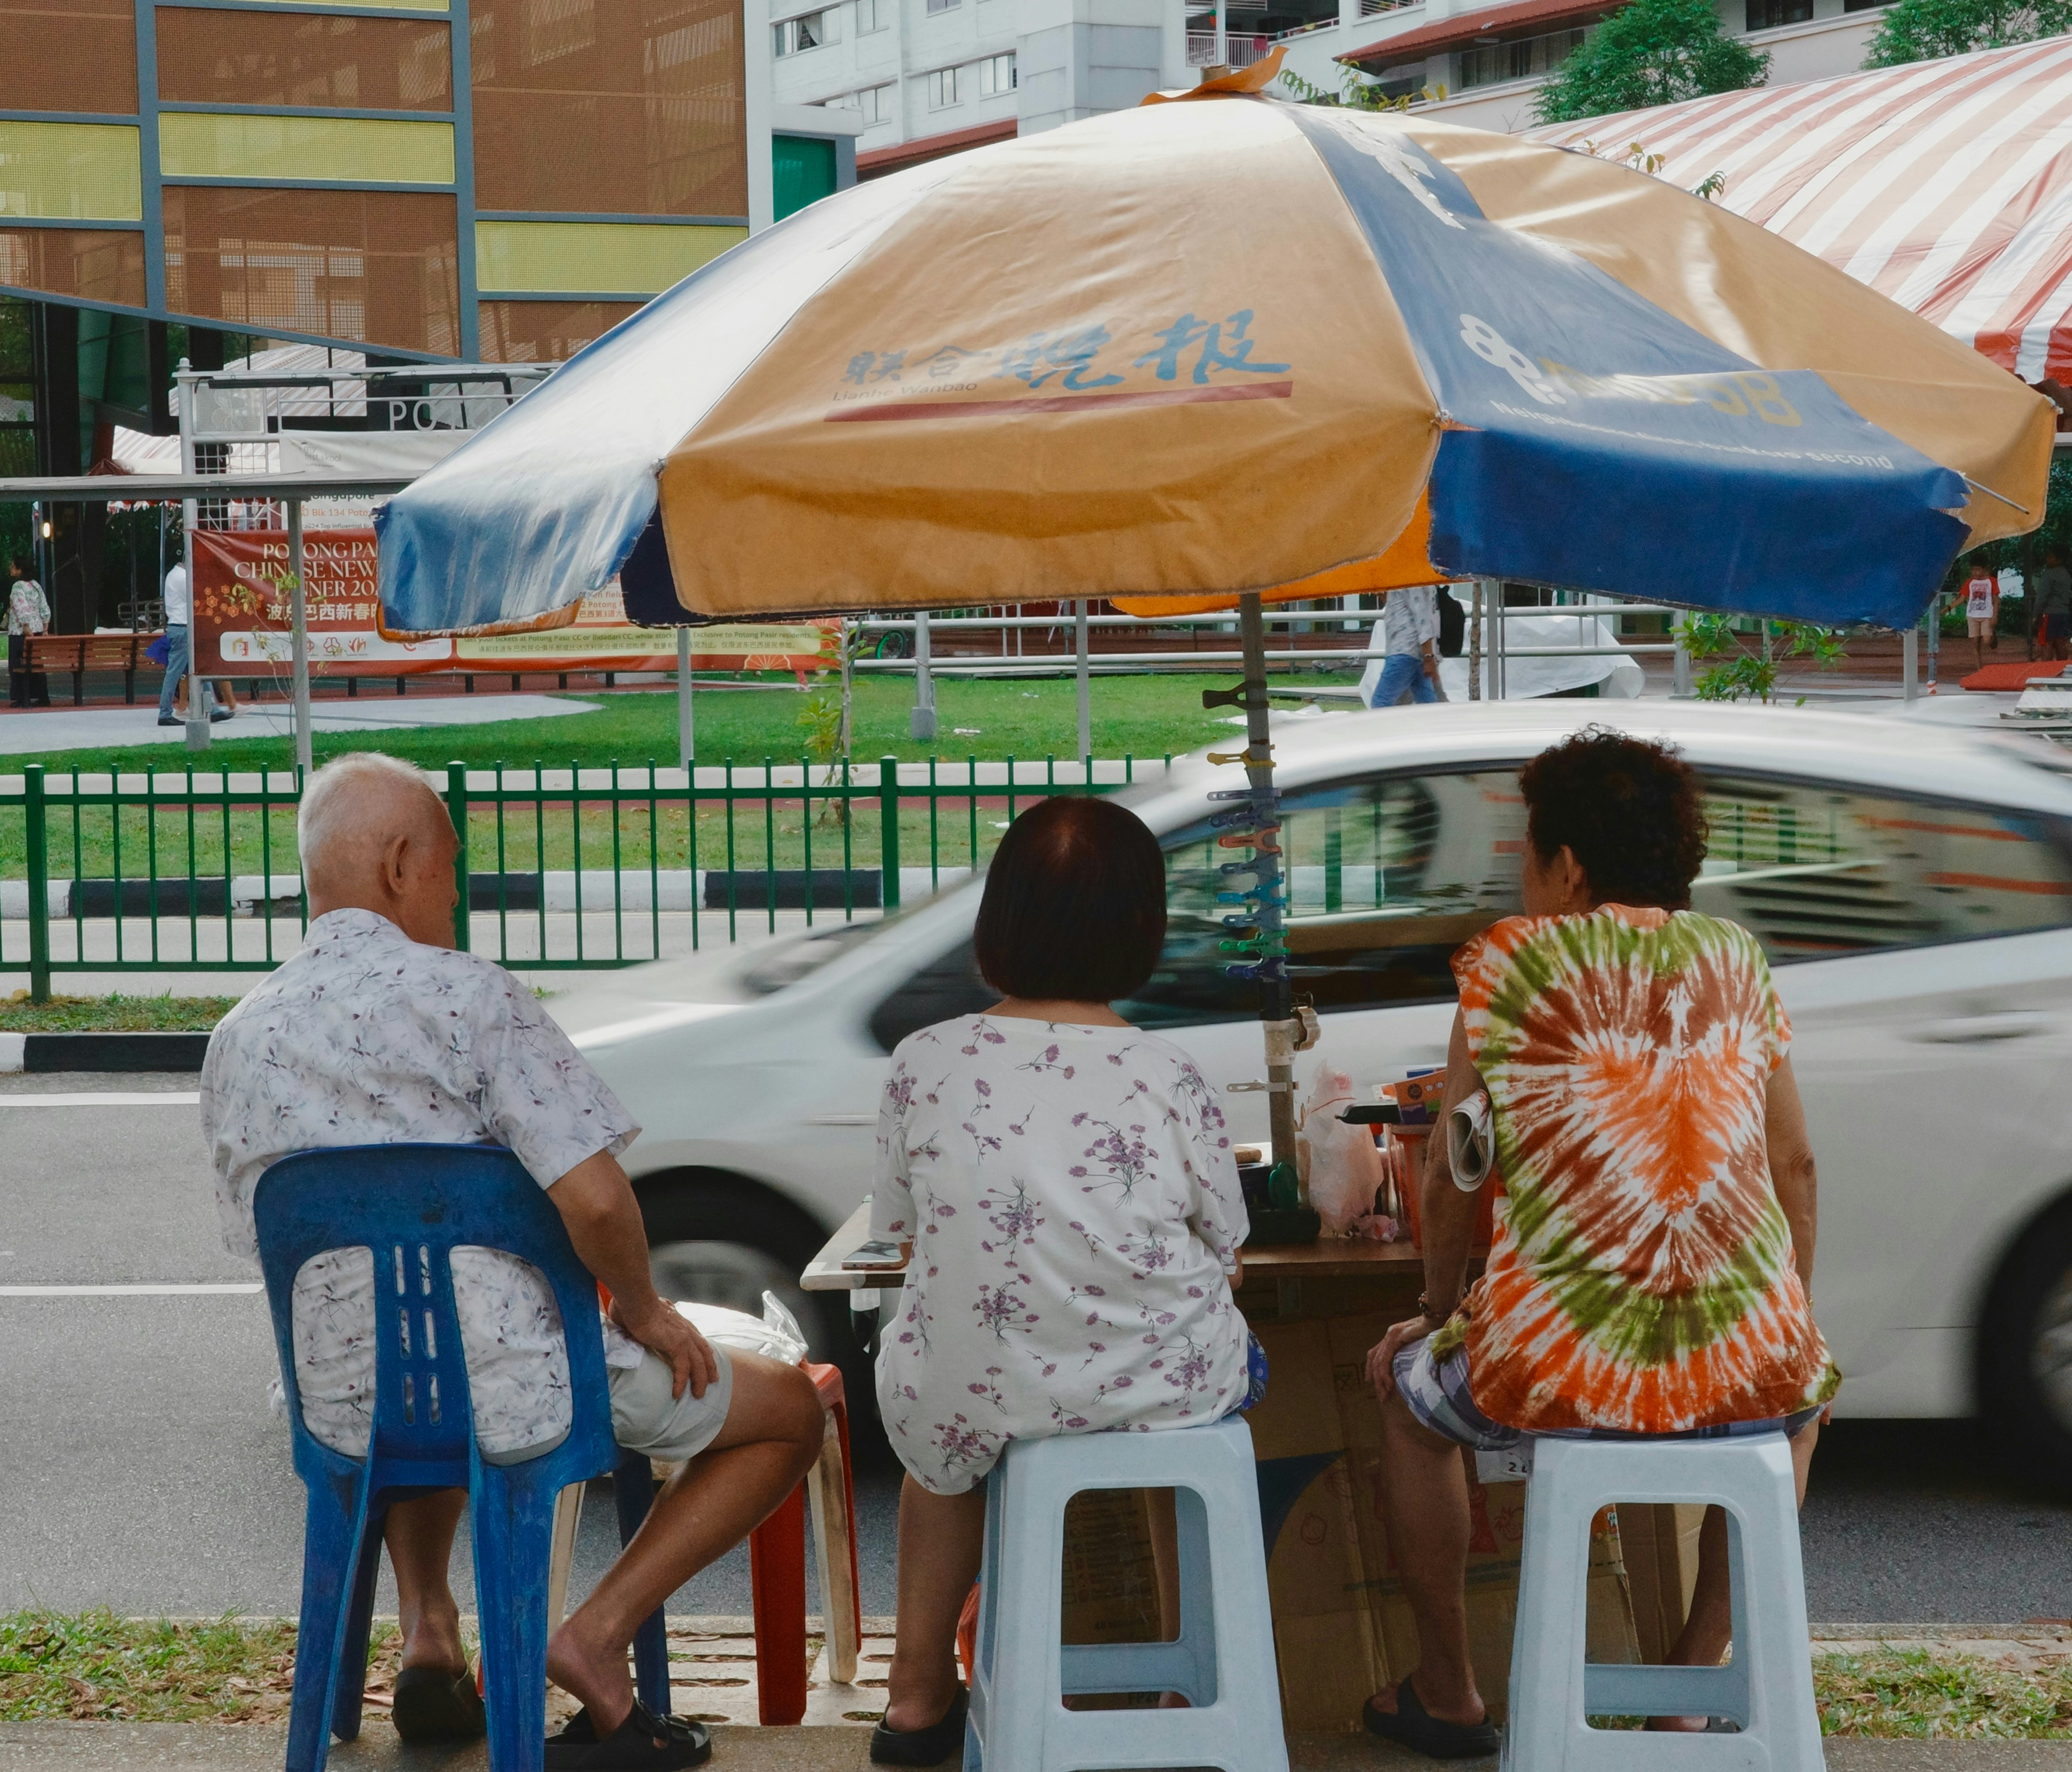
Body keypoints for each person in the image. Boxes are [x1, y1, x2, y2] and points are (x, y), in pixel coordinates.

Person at [201, 753, 822, 1771]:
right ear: (400, 864)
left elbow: (260, 1236)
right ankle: (595, 1635)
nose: (456, 898)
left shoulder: (237, 1037)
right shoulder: (473, 999)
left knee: (415, 1356)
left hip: (340, 1401)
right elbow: (595, 1197)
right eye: (450, 872)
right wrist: (644, 1306)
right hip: (521, 1389)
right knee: (789, 1409)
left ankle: (430, 1630)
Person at [1360, 728, 1834, 1759]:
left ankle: (1447, 1691)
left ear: (1567, 865)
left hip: (1556, 1361)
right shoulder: (1735, 958)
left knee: (1408, 1401)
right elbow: (1793, 1165)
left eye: (1526, 854)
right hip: (1742, 1348)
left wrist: (1436, 1314)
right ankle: (1687, 1675)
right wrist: (1775, 1322)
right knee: (1796, 1408)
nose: (1520, 877)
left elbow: (1454, 1169)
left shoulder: (1506, 963)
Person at [865, 795, 1261, 1767]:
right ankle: (1192, 1673)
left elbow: (897, 1231)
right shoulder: (1167, 1071)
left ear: (996, 921)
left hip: (970, 1387)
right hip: (1156, 1381)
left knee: (940, 1457)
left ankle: (914, 1694)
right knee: (1206, 1396)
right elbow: (1227, 1236)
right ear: (1142, 928)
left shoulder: (922, 1060)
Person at [158, 556, 231, 726]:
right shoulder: (183, 577)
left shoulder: (174, 574)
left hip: (182, 628)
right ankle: (164, 713)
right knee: (175, 673)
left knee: (200, 670)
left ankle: (213, 709)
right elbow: (197, 598)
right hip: (184, 628)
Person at [1373, 585, 1444, 707]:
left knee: (1381, 702)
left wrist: (1428, 657)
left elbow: (1423, 619)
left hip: (1405, 649)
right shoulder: (1404, 581)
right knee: (1427, 704)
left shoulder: (1412, 583)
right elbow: (1401, 607)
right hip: (1414, 652)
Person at [4, 560, 50, 707]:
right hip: (38, 629)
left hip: (20, 632)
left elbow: (21, 607)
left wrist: (26, 626)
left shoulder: (18, 586)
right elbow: (44, 606)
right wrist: (45, 626)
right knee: (36, 664)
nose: (11, 569)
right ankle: (42, 696)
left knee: (18, 664)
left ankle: (22, 696)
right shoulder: (36, 585)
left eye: (13, 566)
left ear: (20, 570)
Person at [1961, 559, 1998, 674]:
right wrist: (1947, 608)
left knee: (1987, 641)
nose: (1975, 572)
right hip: (1972, 615)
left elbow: (1996, 600)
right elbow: (1962, 598)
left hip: (1987, 615)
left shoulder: (1991, 581)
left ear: (1984, 570)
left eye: (1978, 569)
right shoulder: (1969, 582)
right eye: (1973, 570)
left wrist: (1995, 616)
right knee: (1975, 643)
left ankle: (1993, 637)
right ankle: (1979, 669)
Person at [2036, 546, 2072, 664]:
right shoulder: (2066, 574)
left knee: (2047, 642)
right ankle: (2063, 666)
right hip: (2063, 612)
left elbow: (2042, 597)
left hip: (2050, 613)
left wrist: (2036, 614)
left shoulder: (2049, 574)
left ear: (2059, 560)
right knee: (2060, 641)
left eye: (2051, 557)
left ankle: (2046, 668)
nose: (2048, 559)